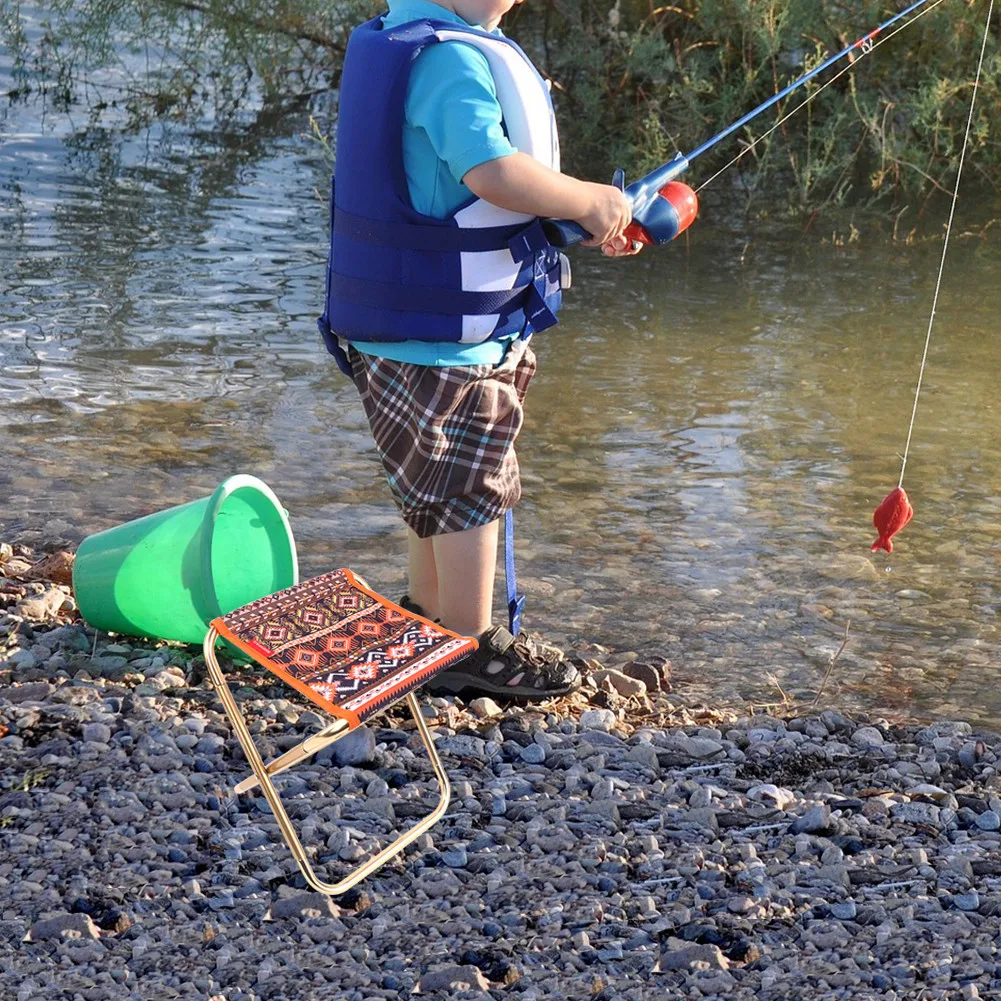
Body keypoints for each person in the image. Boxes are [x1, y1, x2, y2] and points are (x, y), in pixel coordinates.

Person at [318, 0, 641, 701]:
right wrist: (585, 197)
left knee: (432, 483)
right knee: (471, 486)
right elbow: (489, 172)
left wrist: (578, 215)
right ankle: (467, 645)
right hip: (439, 337)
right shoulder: (449, 58)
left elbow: (468, 194)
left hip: (411, 323)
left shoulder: (413, 38)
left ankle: (425, 616)